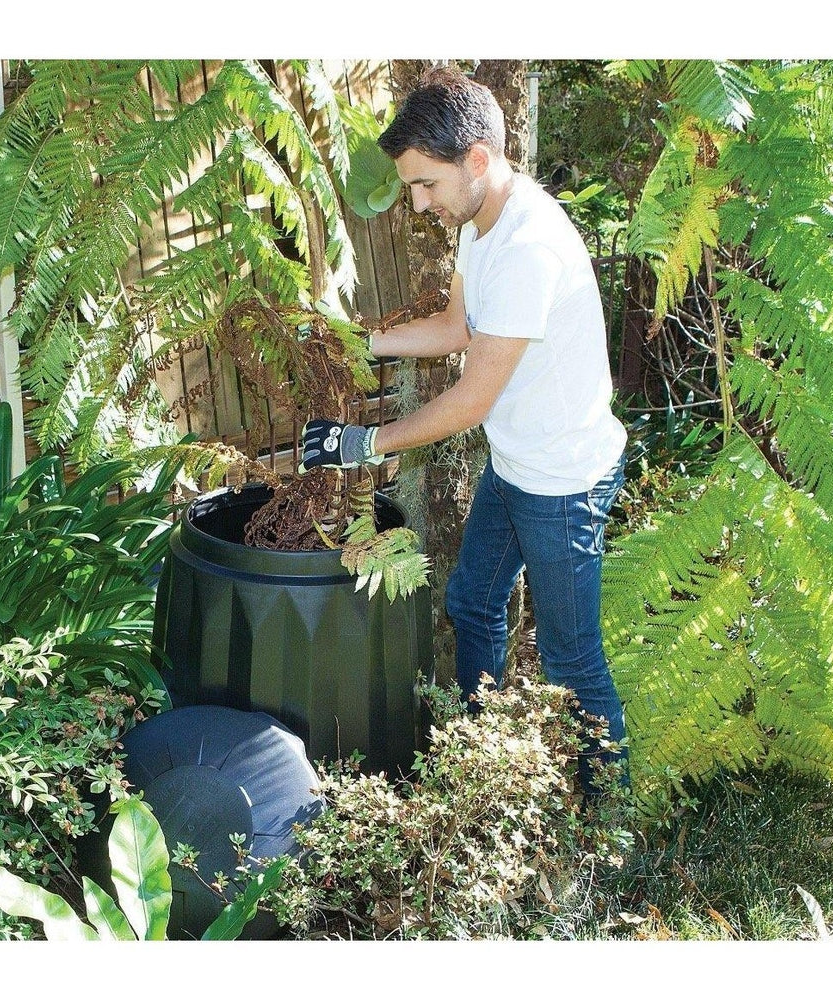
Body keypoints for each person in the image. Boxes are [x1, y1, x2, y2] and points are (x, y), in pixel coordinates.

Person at [298, 67, 629, 796]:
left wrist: (365, 445)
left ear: (477, 159)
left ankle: (610, 825)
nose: (419, 204)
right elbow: (455, 328)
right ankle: (484, 766)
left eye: (426, 185)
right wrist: (356, 342)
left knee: (573, 663)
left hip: (563, 484)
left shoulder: (528, 249)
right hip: (516, 467)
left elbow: (473, 399)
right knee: (472, 603)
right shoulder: (481, 226)